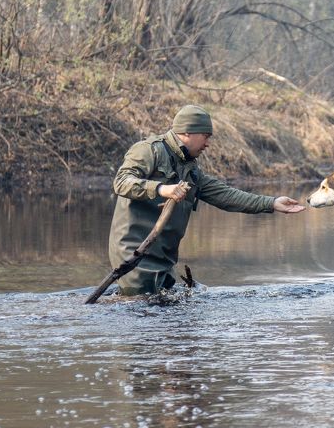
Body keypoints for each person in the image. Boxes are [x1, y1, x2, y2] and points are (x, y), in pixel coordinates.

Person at [108, 104, 305, 295]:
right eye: (206, 136)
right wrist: (161, 188)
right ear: (187, 133)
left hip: (165, 259)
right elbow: (121, 181)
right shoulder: (148, 150)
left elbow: (225, 195)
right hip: (134, 256)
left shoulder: (190, 169)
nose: (208, 143)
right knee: (140, 313)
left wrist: (271, 203)